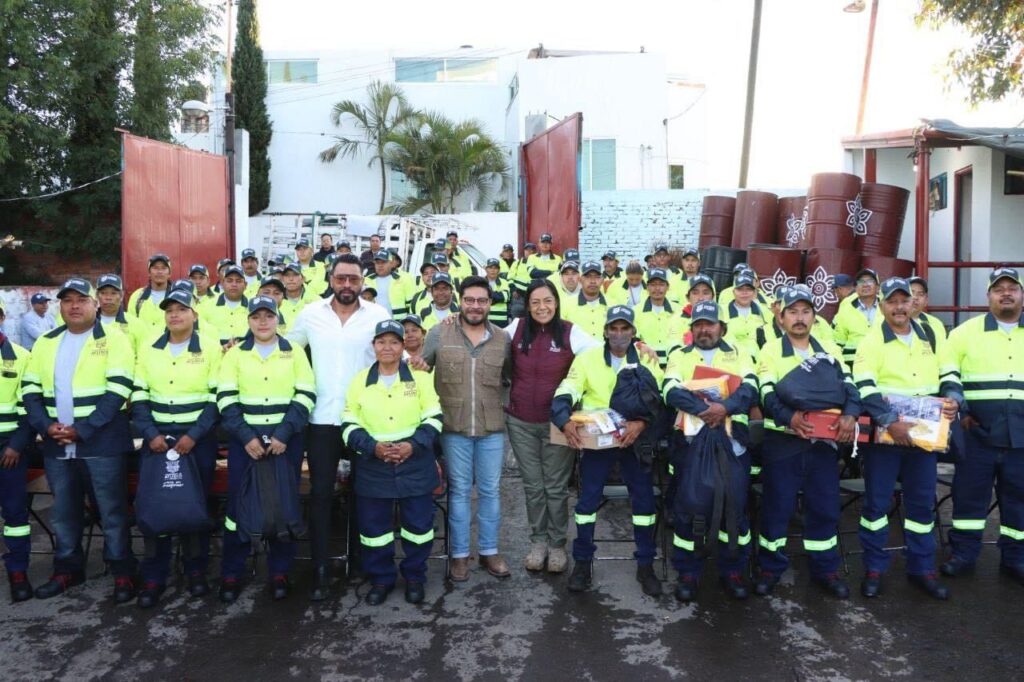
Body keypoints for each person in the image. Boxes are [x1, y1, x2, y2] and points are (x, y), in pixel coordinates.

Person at [22, 278, 137, 602]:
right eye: (67, 300)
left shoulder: (115, 339)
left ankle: (122, 573)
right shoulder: (45, 341)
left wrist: (82, 430)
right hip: (57, 445)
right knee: (63, 512)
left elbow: (118, 391)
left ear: (95, 303)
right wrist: (46, 426)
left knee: (112, 511)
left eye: (81, 299)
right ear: (60, 305)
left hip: (100, 444)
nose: (74, 305)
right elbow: (29, 390)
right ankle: (67, 570)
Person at [287, 253, 390, 600]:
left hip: (363, 419)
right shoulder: (311, 315)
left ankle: (363, 559)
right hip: (322, 419)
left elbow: (393, 354)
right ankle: (320, 567)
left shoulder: (376, 315)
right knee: (319, 495)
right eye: (341, 279)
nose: (348, 285)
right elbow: (286, 349)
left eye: (354, 280)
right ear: (330, 279)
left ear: (363, 282)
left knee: (366, 493)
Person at [754, 287, 860, 599]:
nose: (799, 319)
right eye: (792, 312)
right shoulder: (771, 351)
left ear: (814, 316)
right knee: (777, 508)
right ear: (781, 317)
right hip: (784, 442)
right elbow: (767, 394)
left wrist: (851, 414)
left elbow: (850, 387)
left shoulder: (829, 348)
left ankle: (825, 569)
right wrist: (790, 418)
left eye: (805, 312)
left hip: (823, 445)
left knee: (825, 507)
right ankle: (770, 569)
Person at [853, 277, 954, 600]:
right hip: (886, 438)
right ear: (882, 306)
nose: (899, 307)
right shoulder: (871, 342)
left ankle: (922, 567)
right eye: (892, 301)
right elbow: (864, 387)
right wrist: (888, 421)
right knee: (877, 505)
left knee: (922, 505)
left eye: (904, 300)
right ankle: (873, 568)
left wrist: (953, 398)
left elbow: (949, 375)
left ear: (914, 303)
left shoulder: (931, 335)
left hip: (923, 437)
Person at [552, 305, 664, 595]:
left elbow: (660, 400)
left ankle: (645, 564)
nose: (618, 334)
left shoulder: (646, 358)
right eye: (613, 328)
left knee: (644, 505)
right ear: (604, 331)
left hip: (635, 440)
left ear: (633, 331)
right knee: (586, 503)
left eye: (624, 328)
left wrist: (640, 423)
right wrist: (563, 418)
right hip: (598, 443)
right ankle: (582, 563)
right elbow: (569, 388)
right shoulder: (588, 358)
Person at [216, 295, 315, 603]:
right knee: (237, 507)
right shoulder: (235, 355)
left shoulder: (294, 352)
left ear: (277, 320)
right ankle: (232, 571)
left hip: (286, 442)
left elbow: (306, 395)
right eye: (256, 316)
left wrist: (284, 433)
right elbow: (226, 399)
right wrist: (246, 437)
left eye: (268, 316)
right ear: (248, 321)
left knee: (283, 505)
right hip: (245, 443)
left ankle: (279, 571)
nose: (262, 322)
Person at [341, 320, 443, 605]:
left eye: (394, 342)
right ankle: (382, 578)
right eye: (381, 342)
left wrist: (412, 445)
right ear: (373, 346)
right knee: (375, 531)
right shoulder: (360, 380)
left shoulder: (420, 378)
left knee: (419, 527)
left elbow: (434, 417)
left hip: (415, 462)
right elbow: (349, 423)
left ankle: (414, 577)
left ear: (403, 346)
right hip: (374, 465)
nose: (387, 347)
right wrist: (373, 448)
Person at [131, 288, 222, 608]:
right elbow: (138, 395)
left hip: (196, 442)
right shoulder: (149, 348)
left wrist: (194, 435)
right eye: (169, 309)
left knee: (193, 505)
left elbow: (216, 400)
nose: (175, 314)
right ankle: (155, 574)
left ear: (194, 314)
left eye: (182, 309)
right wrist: (150, 433)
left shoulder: (211, 349)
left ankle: (196, 570)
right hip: (157, 441)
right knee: (157, 504)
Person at [662, 301, 758, 601]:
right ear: (692, 330)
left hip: (732, 443)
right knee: (689, 509)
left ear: (722, 327)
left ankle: (732, 571)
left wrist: (725, 408)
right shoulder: (680, 355)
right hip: (693, 443)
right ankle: (688, 574)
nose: (704, 329)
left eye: (710, 324)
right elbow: (670, 390)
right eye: (699, 324)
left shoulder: (738, 353)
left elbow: (751, 388)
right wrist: (707, 410)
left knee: (736, 508)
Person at [505, 279, 602, 573]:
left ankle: (557, 545)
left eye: (547, 301)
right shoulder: (516, 329)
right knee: (533, 486)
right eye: (535, 302)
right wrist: (453, 320)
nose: (541, 307)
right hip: (520, 421)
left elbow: (603, 350)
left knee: (556, 487)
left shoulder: (570, 332)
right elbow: (483, 338)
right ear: (527, 305)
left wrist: (639, 346)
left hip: (559, 423)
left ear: (556, 303)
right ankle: (538, 542)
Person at [420, 276, 511, 582]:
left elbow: (510, 377)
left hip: (492, 428)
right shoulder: (439, 333)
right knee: (459, 493)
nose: (475, 306)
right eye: (469, 300)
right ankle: (459, 556)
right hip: (453, 427)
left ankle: (489, 552)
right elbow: (420, 372)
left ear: (490, 304)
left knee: (490, 491)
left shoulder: (502, 338)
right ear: (460, 300)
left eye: (481, 300)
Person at [939, 267, 1024, 587]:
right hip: (976, 433)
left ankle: (1016, 558)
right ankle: (964, 555)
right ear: (988, 295)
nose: (1006, 293)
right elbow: (948, 375)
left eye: (1012, 288)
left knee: (1019, 500)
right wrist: (958, 405)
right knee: (969, 498)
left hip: (1021, 437)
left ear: (1021, 295)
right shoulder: (964, 333)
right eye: (998, 288)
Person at [0, 300, 34, 601]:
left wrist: (15, 446)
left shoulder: (21, 358)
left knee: (15, 514)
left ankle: (18, 571)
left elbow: (28, 413)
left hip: (8, 449)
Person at [633, 268, 686, 367]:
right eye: (653, 285)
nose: (657, 289)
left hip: (675, 365)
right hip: (646, 365)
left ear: (667, 287)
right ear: (647, 287)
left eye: (661, 284)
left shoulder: (679, 311)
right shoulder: (635, 311)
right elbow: (634, 340)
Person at [833, 268, 883, 367]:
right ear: (855, 288)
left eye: (870, 281)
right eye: (861, 281)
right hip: (852, 367)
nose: (865, 284)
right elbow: (837, 344)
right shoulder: (845, 310)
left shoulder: (888, 307)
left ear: (877, 287)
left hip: (883, 365)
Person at [95, 273, 151, 354]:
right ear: (97, 296)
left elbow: (145, 356)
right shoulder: (87, 324)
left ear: (121, 296)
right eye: (103, 293)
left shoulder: (137, 325)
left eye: (113, 293)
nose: (108, 298)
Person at [722, 272, 767, 359]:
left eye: (748, 289)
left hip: (758, 361)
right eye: (740, 289)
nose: (744, 293)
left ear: (754, 292)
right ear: (733, 291)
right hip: (729, 359)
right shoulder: (722, 311)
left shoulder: (765, 312)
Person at [204, 265, 250, 348]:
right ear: (222, 283)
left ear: (245, 285)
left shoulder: (254, 308)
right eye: (229, 281)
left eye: (238, 281)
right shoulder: (205, 307)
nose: (234, 284)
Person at [127, 254, 173, 331]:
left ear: (169, 274)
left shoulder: (176, 297)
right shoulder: (137, 296)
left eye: (164, 268)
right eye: (155, 268)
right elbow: (130, 326)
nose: (159, 272)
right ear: (149, 273)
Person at [564, 261, 609, 337]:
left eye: (597, 277)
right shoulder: (565, 305)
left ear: (602, 280)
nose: (593, 281)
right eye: (588, 277)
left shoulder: (614, 305)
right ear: (580, 279)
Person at [365, 249, 408, 316]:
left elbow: (410, 305)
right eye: (377, 263)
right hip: (372, 322)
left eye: (383, 262)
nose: (380, 265)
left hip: (397, 322)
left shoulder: (402, 280)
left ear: (391, 263)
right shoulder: (366, 280)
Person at [908, 276, 946, 346]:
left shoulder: (936, 324)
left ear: (926, 301)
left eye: (920, 294)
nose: (915, 297)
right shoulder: (890, 320)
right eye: (911, 292)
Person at [484, 258, 511, 327]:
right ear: (486, 269)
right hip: (484, 319)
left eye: (495, 268)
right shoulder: (480, 282)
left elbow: (505, 297)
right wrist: (497, 295)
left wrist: (487, 296)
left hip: (501, 320)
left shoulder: (504, 282)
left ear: (499, 270)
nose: (493, 270)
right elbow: (479, 298)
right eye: (490, 268)